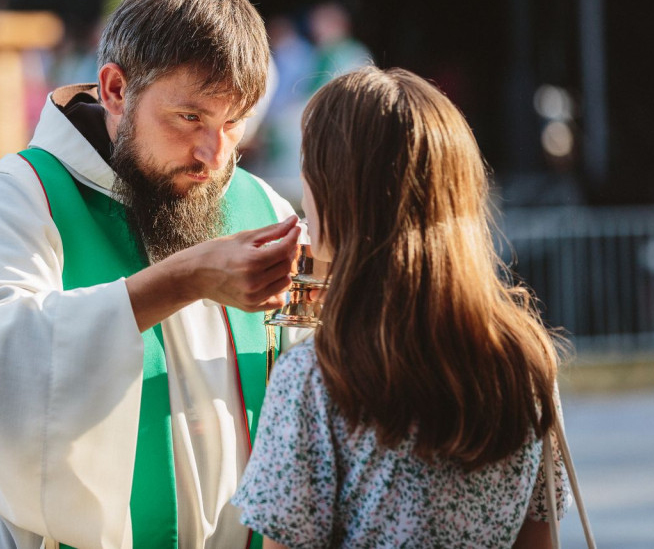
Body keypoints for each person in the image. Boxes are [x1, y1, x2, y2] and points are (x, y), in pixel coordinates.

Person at [0, 0, 307, 549]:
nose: (214, 156)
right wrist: (183, 280)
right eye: (189, 118)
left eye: (232, 123)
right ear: (115, 89)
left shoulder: (259, 204)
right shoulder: (18, 196)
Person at [232, 67, 572, 547]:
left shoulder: (318, 377)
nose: (301, 197)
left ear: (343, 198)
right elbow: (540, 539)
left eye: (311, 173)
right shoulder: (527, 362)